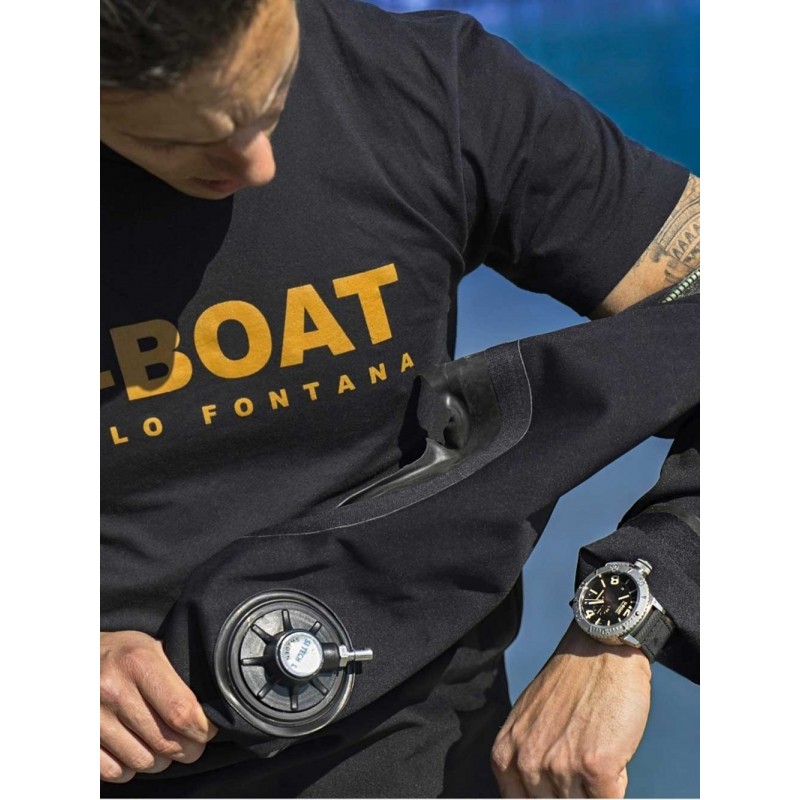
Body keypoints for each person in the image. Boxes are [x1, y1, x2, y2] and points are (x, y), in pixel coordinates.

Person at [100, 0, 700, 796]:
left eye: (275, 92)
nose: (257, 164)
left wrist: (635, 608)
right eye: (177, 140)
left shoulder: (433, 87)